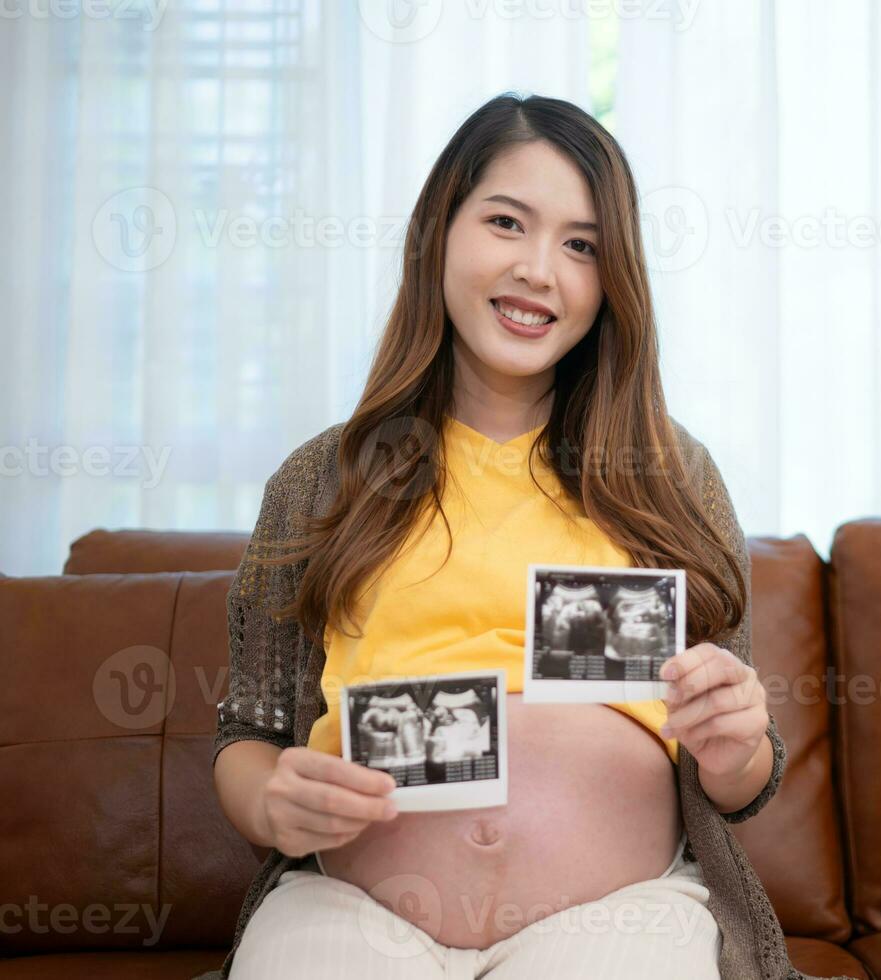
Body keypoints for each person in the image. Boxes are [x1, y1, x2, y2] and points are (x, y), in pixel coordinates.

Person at [197, 93, 847, 980]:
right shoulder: (322, 480)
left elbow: (740, 780)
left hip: (622, 916)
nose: (541, 269)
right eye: (508, 222)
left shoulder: (668, 477)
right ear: (439, 232)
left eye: (582, 245)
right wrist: (274, 806)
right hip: (350, 909)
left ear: (613, 278)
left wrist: (737, 746)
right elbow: (248, 733)